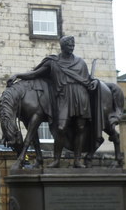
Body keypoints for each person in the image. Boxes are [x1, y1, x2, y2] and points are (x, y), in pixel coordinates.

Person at [7, 36, 99, 168]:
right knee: (61, 128)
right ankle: (56, 160)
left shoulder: (80, 62)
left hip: (80, 96)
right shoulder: (53, 62)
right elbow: (35, 74)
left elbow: (88, 80)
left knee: (80, 127)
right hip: (63, 97)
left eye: (73, 45)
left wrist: (94, 82)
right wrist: (18, 75)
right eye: (69, 45)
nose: (72, 47)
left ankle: (77, 160)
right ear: (62, 46)